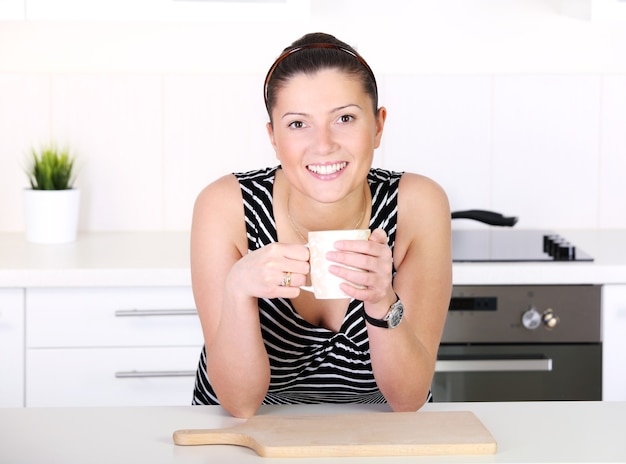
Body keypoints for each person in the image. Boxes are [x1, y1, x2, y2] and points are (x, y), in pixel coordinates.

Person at [190, 32, 452, 418]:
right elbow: (239, 405)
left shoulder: (418, 204)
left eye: (345, 118)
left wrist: (382, 300)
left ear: (378, 127)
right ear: (273, 138)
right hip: (251, 433)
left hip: (379, 431)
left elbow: (408, 398)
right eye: (298, 124)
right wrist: (237, 291)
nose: (324, 145)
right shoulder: (226, 206)